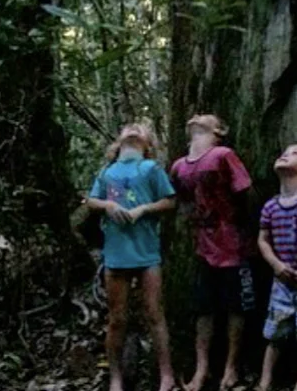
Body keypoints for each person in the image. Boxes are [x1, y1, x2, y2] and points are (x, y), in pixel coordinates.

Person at [86, 122, 178, 391]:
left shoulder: (151, 168)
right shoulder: (107, 171)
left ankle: (167, 375)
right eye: (128, 128)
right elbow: (91, 200)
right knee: (117, 318)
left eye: (140, 129)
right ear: (119, 141)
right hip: (116, 254)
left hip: (147, 252)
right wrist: (108, 205)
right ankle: (115, 378)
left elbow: (170, 200)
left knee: (154, 313)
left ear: (147, 144)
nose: (134, 129)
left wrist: (143, 209)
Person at [171, 114, 255, 391]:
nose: (196, 116)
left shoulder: (223, 155)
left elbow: (246, 194)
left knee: (236, 307)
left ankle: (231, 367)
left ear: (219, 130)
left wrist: (249, 233)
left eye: (205, 117)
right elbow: (181, 201)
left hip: (233, 246)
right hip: (203, 249)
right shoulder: (179, 166)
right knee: (203, 309)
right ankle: (202, 369)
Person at [257, 143, 297, 391]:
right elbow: (263, 240)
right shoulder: (271, 206)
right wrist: (276, 265)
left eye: (295, 153)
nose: (285, 155)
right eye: (284, 152)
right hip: (282, 281)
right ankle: (265, 382)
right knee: (274, 332)